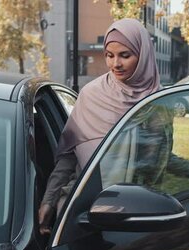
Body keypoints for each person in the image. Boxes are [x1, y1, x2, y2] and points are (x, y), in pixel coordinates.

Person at [38, 18, 161, 236]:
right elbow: (69, 156)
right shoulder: (91, 95)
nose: (116, 64)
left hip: (134, 214)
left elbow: (159, 161)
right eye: (109, 55)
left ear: (143, 56)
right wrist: (49, 200)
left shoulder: (156, 103)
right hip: (83, 213)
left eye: (125, 55)